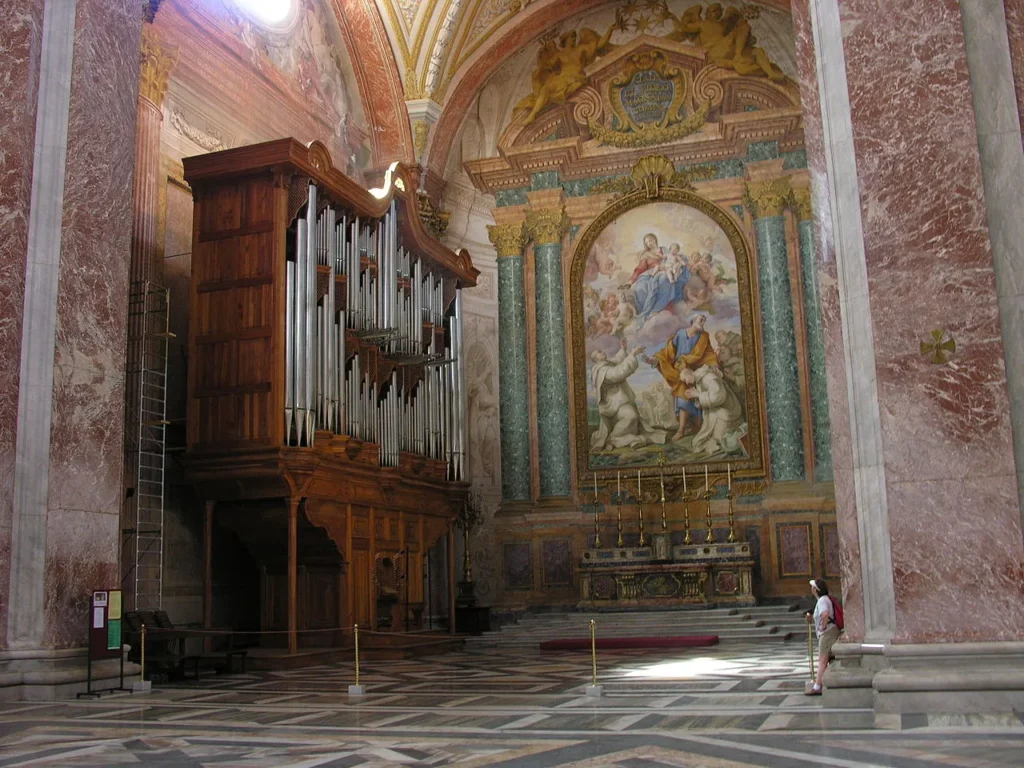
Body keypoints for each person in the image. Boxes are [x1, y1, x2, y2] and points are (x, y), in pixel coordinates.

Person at [645, 313, 718, 440]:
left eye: (704, 321)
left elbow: (709, 354)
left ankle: (694, 426)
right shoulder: (680, 334)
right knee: (682, 395)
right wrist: (655, 360)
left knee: (696, 394)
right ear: (693, 320)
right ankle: (681, 429)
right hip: (681, 371)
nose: (703, 323)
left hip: (697, 372)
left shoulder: (704, 336)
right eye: (701, 320)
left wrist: (714, 366)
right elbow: (668, 352)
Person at [590, 340, 663, 451]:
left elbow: (617, 361)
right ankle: (614, 438)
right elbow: (618, 372)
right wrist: (633, 354)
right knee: (631, 416)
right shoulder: (602, 370)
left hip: (618, 402)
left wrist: (623, 349)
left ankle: (618, 437)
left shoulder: (605, 365)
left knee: (632, 416)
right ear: (596, 359)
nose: (603, 351)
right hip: (613, 405)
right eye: (599, 352)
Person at [681, 364, 744, 455]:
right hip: (716, 411)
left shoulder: (708, 377)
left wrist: (698, 394)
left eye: (685, 380)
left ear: (689, 374)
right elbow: (705, 402)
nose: (686, 383)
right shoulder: (699, 381)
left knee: (718, 439)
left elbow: (719, 397)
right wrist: (695, 397)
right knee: (704, 439)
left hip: (727, 410)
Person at [805, 578, 841, 696]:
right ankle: (827, 682)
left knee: (822, 660)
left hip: (827, 633)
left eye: (812, 587)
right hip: (831, 632)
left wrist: (823, 627)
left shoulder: (822, 601)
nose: (811, 589)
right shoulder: (824, 600)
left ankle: (817, 686)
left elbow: (825, 614)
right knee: (828, 659)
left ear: (816, 589)